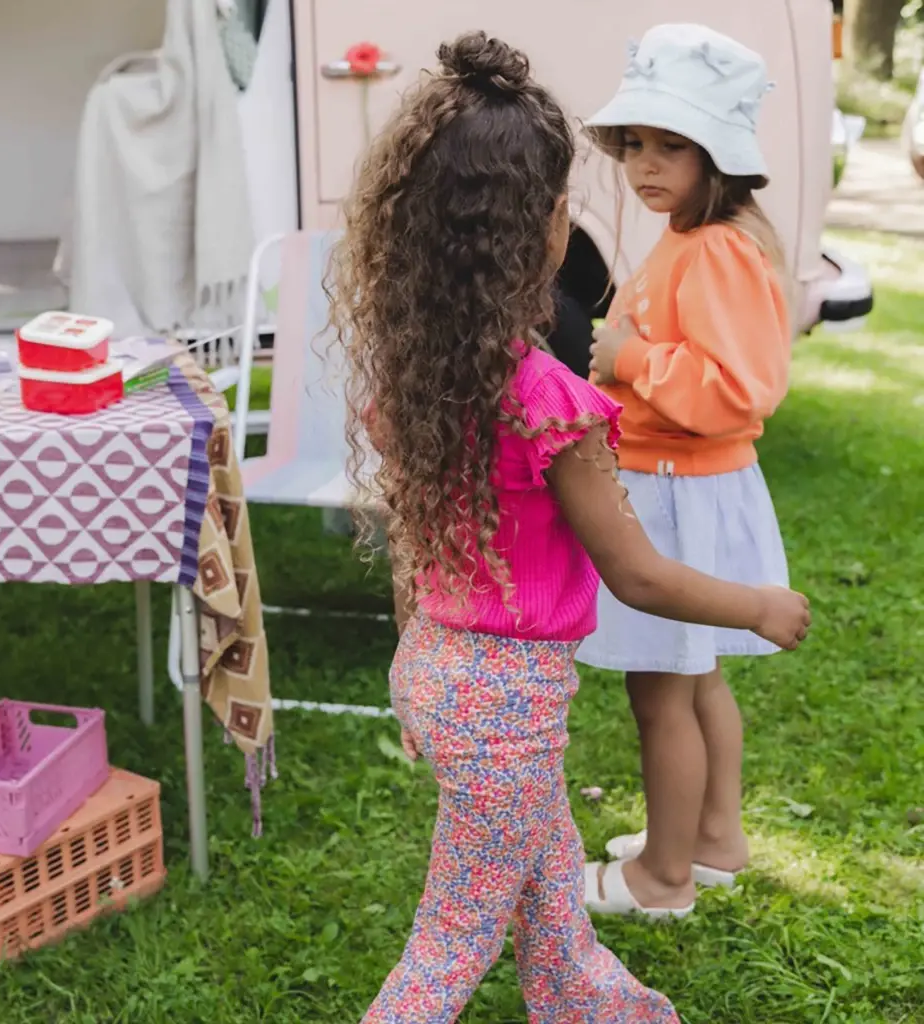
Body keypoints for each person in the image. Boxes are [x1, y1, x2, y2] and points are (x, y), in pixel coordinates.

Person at [328, 31, 810, 1023]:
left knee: (549, 898)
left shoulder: (415, 379)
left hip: (437, 671)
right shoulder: (550, 403)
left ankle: (589, 1000)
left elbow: (418, 542)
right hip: (502, 706)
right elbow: (639, 575)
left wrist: (424, 670)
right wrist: (757, 604)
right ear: (548, 232)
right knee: (447, 944)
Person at [578, 23, 795, 918]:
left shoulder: (713, 248)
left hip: (679, 490)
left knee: (662, 686)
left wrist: (626, 359)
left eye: (672, 146)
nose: (644, 164)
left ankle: (662, 879)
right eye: (635, 144)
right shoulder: (694, 235)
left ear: (719, 155)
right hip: (686, 486)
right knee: (695, 675)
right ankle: (711, 839)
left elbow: (739, 390)